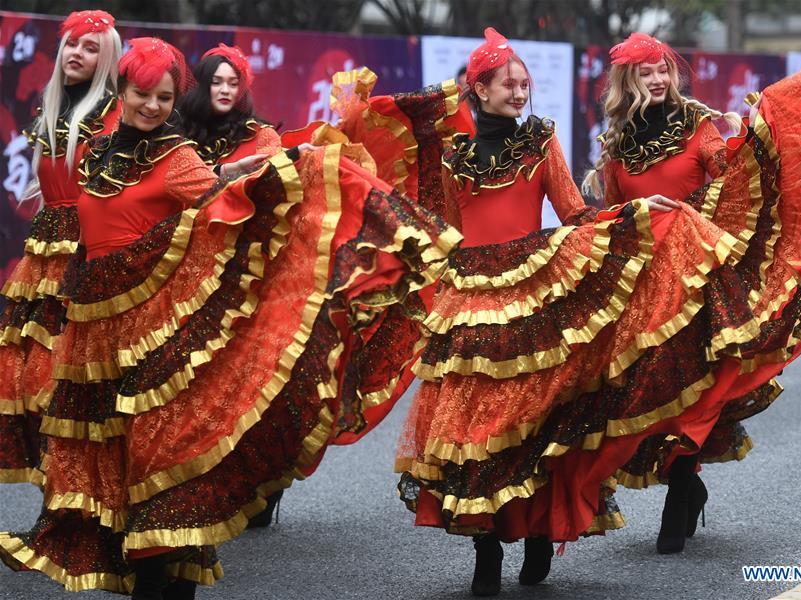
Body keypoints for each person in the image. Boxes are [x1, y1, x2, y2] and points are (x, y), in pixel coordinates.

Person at [396, 27, 801, 597]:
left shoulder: (553, 140)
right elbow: (462, 226)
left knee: (591, 403)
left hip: (663, 269)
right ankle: (489, 546)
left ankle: (662, 486)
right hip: (492, 293)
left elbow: (590, 210)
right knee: (477, 423)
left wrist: (692, 192)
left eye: (525, 84)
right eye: (509, 84)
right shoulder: (470, 153)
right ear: (479, 90)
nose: (519, 92)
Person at [0, 37, 460, 599]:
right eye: (142, 93)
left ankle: (164, 573)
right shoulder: (97, 151)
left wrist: (290, 169)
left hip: (155, 332)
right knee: (108, 465)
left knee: (159, 461)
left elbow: (225, 194)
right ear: (121, 91)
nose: (151, 105)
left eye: (164, 97)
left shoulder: (176, 157)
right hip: (94, 335)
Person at [581, 32, 771, 555]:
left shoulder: (697, 126)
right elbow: (608, 219)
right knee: (645, 393)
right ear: (628, 80)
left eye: (664, 69)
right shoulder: (617, 144)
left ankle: (681, 488)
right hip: (642, 286)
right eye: (647, 72)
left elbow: (733, 180)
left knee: (692, 387)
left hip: (695, 280)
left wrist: (693, 213)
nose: (660, 79)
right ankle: (686, 483)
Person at [0, 9, 121, 487]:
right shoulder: (54, 108)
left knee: (71, 372)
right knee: (28, 365)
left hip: (88, 250)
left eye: (91, 48)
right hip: (45, 249)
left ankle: (87, 487)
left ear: (107, 58)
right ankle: (62, 484)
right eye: (72, 44)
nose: (77, 53)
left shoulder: (112, 114)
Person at [178, 43, 283, 528]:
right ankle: (201, 477)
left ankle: (257, 481)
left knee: (247, 377)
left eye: (233, 83)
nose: (224, 90)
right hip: (185, 271)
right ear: (200, 85)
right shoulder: (175, 135)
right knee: (197, 380)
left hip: (247, 270)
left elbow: (276, 191)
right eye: (216, 81)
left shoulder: (261, 137)